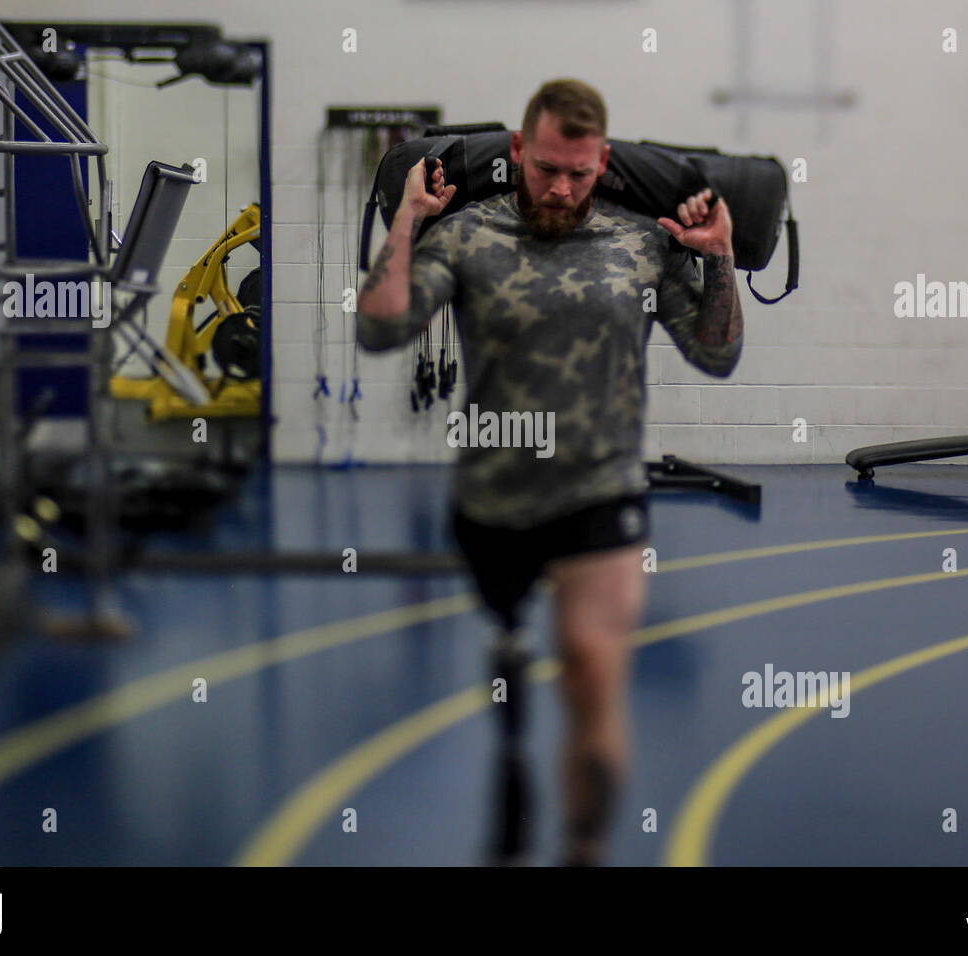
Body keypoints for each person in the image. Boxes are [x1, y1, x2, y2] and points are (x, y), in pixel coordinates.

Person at [356, 78, 743, 865]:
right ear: (518, 153)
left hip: (600, 491)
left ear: (602, 162)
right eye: (546, 170)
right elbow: (383, 330)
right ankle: (507, 677)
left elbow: (717, 353)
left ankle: (582, 849)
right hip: (492, 496)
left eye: (579, 172)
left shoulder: (642, 240)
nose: (562, 189)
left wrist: (720, 258)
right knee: (511, 650)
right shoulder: (465, 235)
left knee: (594, 675)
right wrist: (406, 219)